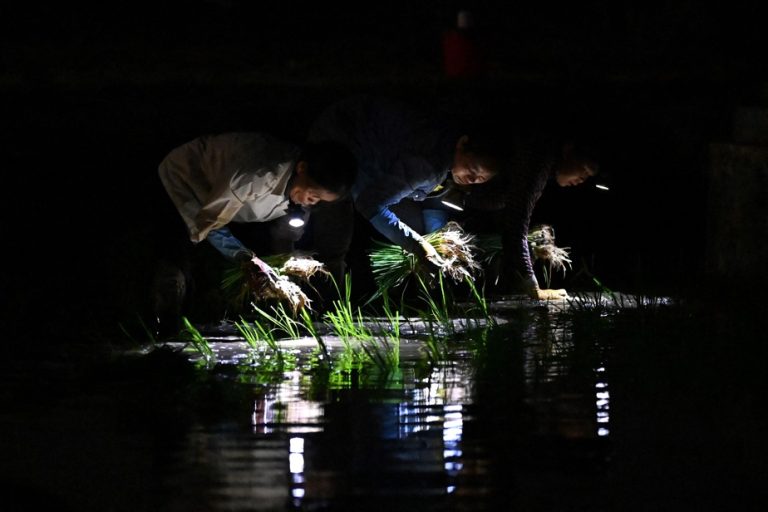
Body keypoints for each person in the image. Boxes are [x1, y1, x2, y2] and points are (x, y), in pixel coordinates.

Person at [149, 131, 357, 336]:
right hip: (185, 183)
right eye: (313, 195)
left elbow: (283, 236)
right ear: (302, 168)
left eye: (319, 200)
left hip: (231, 207)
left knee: (236, 267)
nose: (312, 202)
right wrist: (246, 258)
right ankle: (164, 330)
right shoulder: (258, 175)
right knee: (178, 258)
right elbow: (209, 223)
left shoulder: (296, 188)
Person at [305, 94, 508, 286]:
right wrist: (419, 248)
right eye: (473, 171)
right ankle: (326, 301)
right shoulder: (428, 163)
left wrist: (436, 240)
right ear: (463, 144)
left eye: (480, 179)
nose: (472, 179)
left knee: (412, 225)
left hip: (368, 149)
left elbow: (432, 201)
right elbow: (369, 203)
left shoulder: (449, 157)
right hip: (337, 142)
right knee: (336, 232)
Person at [462, 133, 600, 300]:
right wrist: (533, 286)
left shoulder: (545, 169)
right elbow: (516, 223)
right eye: (583, 169)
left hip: (470, 199)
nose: (582, 179)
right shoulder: (539, 159)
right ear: (568, 150)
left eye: (587, 177)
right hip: (458, 187)